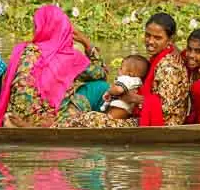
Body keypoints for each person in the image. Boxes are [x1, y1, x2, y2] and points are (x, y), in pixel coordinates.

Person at [58, 13, 189, 128]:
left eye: (157, 38)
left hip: (162, 122)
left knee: (89, 119)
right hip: (146, 115)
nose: (150, 41)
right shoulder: (160, 58)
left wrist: (133, 98)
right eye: (147, 35)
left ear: (170, 40)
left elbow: (167, 108)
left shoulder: (169, 67)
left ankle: (55, 129)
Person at [0, 4, 108, 127]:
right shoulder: (70, 56)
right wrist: (87, 43)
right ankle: (54, 124)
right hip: (45, 121)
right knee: (100, 86)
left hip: (14, 116)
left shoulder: (23, 50)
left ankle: (22, 122)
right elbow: (101, 73)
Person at [98, 55, 149, 120]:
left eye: (121, 68)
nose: (119, 69)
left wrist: (109, 91)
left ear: (130, 74)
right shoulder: (137, 81)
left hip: (120, 108)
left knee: (106, 120)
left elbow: (118, 90)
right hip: (126, 109)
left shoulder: (126, 79)